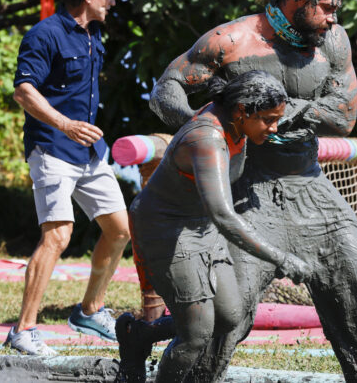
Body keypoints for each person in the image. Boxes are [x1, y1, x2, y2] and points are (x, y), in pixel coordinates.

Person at [148, 0, 357, 382]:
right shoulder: (231, 40)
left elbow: (345, 116)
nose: (332, 18)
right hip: (248, 186)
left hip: (309, 184)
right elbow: (167, 88)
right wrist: (204, 127)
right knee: (232, 312)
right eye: (325, 7)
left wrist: (296, 110)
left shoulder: (333, 41)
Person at [120, 70, 310, 382]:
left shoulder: (240, 122)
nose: (274, 127)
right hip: (166, 228)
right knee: (196, 335)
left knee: (228, 317)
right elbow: (223, 215)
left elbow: (218, 210)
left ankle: (139, 336)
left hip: (201, 223)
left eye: (278, 119)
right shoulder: (207, 138)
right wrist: (281, 258)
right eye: (269, 120)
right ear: (241, 111)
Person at [6, 0, 132, 356]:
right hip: (53, 148)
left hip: (90, 152)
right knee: (58, 235)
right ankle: (24, 330)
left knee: (120, 230)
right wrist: (65, 125)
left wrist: (81, 132)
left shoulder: (94, 34)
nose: (112, 1)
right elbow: (24, 92)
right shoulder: (45, 35)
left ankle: (89, 311)